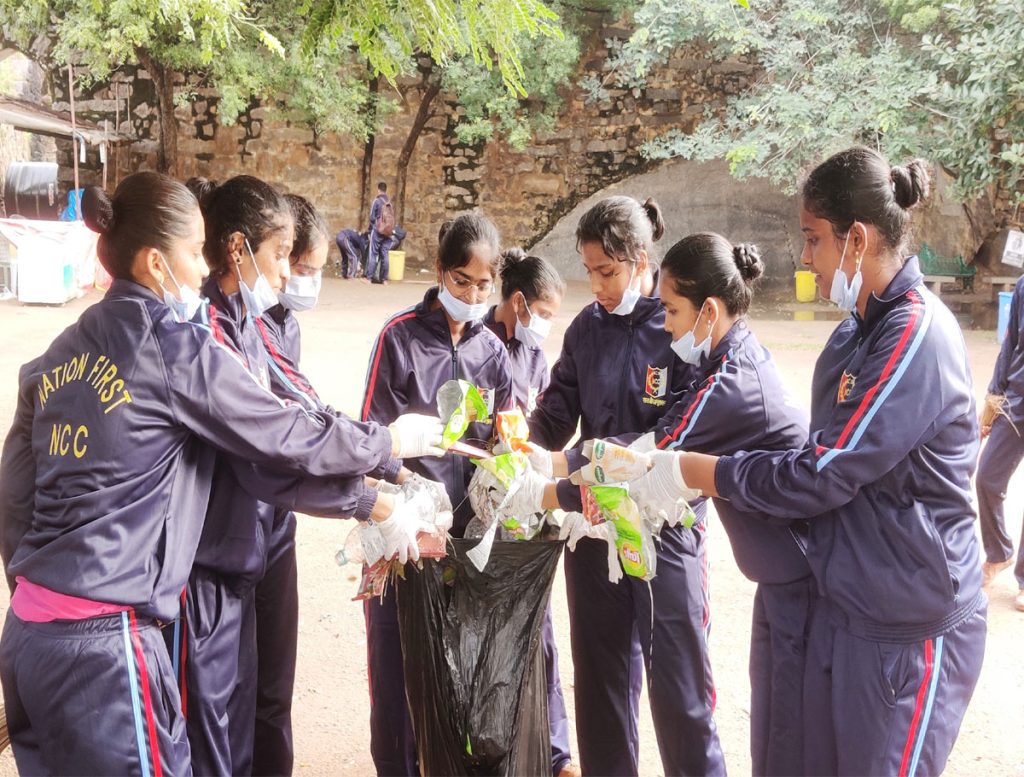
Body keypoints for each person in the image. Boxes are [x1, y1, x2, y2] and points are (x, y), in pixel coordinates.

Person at [0, 172, 443, 775]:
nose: (201, 270)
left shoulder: (52, 358)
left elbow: (14, 499)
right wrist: (387, 440)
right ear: (157, 263)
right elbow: (281, 437)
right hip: (108, 642)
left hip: (28, 632)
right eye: (192, 253)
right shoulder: (176, 345)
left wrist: (42, 599)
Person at [638, 147, 987, 776]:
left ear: (857, 240)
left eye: (812, 239)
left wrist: (703, 471)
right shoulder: (855, 333)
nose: (804, 258)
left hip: (911, 621)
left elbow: (826, 470)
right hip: (850, 605)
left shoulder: (915, 336)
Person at [175, 175, 443, 776]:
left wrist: (391, 466)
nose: (285, 275)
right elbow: (271, 453)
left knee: (266, 696)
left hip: (260, 536)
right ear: (239, 250)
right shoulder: (204, 338)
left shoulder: (251, 327)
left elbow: (304, 409)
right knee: (215, 720)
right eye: (281, 258)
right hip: (211, 555)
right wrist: (373, 487)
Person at [550, 233, 813, 775]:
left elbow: (650, 459)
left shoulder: (729, 381)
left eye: (671, 311)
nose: (665, 325)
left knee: (694, 704)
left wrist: (549, 485)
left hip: (803, 572)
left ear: (708, 309)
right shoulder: (722, 359)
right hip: (780, 567)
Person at [525, 196, 725, 777]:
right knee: (600, 682)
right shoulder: (587, 328)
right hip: (592, 525)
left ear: (642, 260)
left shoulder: (679, 327)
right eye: (588, 271)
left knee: (680, 687)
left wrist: (572, 465)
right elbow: (559, 404)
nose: (597, 286)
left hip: (665, 530)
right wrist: (521, 442)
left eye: (607, 271)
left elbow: (673, 437)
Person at [361, 213, 515, 776]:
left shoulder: (494, 354)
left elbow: (501, 441)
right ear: (438, 272)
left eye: (483, 284)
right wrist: (410, 489)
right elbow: (371, 441)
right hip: (404, 529)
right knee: (396, 663)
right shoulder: (398, 338)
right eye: (460, 281)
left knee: (459, 666)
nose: (472, 295)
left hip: (463, 538)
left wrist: (502, 483)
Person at [483, 247, 577, 777]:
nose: (547, 324)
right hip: (483, 507)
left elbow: (538, 425)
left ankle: (556, 751)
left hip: (526, 506)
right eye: (543, 312)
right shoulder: (478, 346)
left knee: (538, 627)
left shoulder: (534, 356)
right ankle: (490, 747)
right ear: (518, 303)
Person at [976, 273, 1024, 611]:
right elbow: (1010, 342)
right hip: (1017, 400)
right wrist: (994, 395)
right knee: (987, 477)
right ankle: (999, 553)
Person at [366, 181, 395, 284]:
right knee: (385, 254)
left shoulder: (377, 201)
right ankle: (384, 280)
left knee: (373, 253)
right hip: (387, 231)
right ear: (386, 190)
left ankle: (368, 278)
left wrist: (370, 231)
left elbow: (372, 217)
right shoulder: (389, 202)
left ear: (378, 189)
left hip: (377, 230)